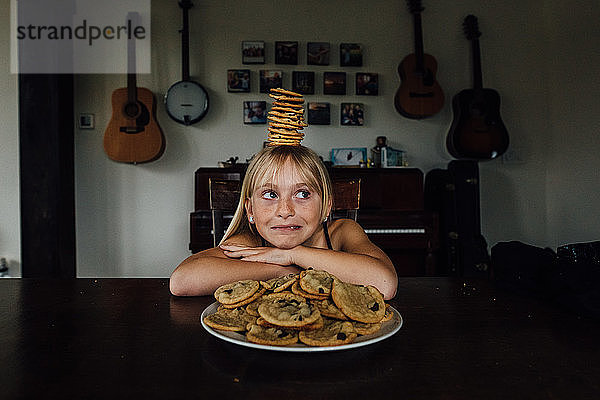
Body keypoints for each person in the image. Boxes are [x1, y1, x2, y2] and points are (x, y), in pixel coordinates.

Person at [169, 145, 398, 299]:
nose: (285, 211)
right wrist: (283, 269)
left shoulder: (342, 231)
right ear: (250, 210)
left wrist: (294, 254)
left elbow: (384, 283)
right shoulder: (251, 240)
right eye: (270, 195)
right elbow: (181, 281)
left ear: (326, 206)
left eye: (303, 194)